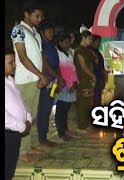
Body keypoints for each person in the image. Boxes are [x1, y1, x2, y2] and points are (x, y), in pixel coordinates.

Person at [10, 1, 49, 162]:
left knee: (31, 115)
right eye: (36, 16)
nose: (40, 19)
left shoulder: (35, 32)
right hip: (25, 79)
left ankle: (28, 146)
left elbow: (39, 57)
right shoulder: (18, 30)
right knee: (22, 116)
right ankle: (21, 151)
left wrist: (42, 76)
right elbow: (22, 57)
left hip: (35, 79)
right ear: (26, 14)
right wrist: (41, 75)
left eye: (41, 16)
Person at [5, 47, 32, 180]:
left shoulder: (10, 81)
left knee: (10, 169)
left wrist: (27, 118)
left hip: (14, 133)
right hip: (8, 133)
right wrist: (22, 126)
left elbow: (21, 103)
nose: (15, 66)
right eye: (11, 62)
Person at [37, 20, 65, 148]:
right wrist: (58, 77)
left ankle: (44, 136)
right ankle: (42, 138)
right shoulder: (41, 44)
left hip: (53, 80)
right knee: (43, 109)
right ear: (42, 32)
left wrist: (59, 78)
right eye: (48, 31)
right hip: (46, 80)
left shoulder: (51, 45)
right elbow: (46, 65)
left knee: (48, 108)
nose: (51, 34)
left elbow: (56, 63)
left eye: (52, 31)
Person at [55, 31, 79, 141]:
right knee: (61, 109)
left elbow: (73, 70)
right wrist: (70, 84)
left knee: (66, 109)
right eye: (65, 42)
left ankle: (65, 129)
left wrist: (75, 82)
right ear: (59, 43)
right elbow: (62, 71)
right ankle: (61, 132)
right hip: (63, 84)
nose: (68, 44)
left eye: (69, 42)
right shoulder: (57, 54)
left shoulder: (69, 53)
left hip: (71, 84)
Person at [74, 29, 96, 131]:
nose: (91, 41)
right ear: (83, 38)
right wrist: (92, 76)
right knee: (83, 102)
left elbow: (96, 59)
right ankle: (82, 125)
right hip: (83, 79)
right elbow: (83, 66)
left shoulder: (87, 50)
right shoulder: (79, 50)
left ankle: (87, 122)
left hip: (89, 79)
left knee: (89, 101)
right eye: (89, 39)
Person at [89, 35, 107, 106]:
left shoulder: (98, 53)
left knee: (97, 99)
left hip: (99, 80)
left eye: (99, 42)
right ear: (92, 42)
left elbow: (101, 67)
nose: (99, 44)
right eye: (97, 42)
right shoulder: (89, 52)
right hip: (93, 79)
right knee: (94, 99)